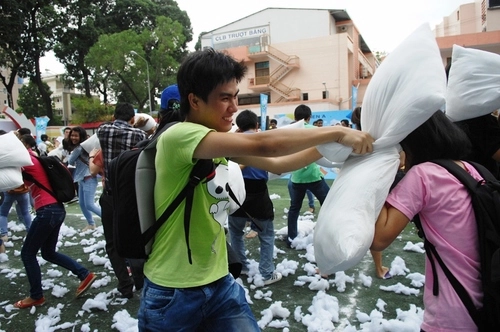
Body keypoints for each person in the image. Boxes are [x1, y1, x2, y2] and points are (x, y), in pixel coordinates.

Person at [138, 48, 373, 331]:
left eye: (235, 96)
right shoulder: (180, 135)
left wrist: (331, 148)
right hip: (173, 292)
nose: (234, 107)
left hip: (219, 283)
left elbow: (278, 163)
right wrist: (336, 132)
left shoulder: (217, 143)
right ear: (194, 100)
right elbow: (263, 144)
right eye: (225, 98)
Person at [371, 110, 481, 331]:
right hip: (484, 297)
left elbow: (379, 238)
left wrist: (375, 172)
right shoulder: (471, 169)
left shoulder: (423, 174)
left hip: (453, 312)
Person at [13, 133, 96, 309]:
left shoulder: (24, 160)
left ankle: (36, 296)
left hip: (47, 211)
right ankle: (84, 273)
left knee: (27, 254)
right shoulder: (31, 158)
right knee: (48, 253)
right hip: (55, 210)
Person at [97, 103, 146, 299]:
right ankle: (140, 282)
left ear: (114, 115)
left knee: (112, 243)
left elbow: (110, 127)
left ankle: (124, 286)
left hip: (109, 195)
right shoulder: (139, 136)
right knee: (134, 239)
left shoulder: (103, 130)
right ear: (132, 119)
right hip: (131, 196)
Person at [228, 110, 282, 285]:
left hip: (237, 195)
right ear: (257, 125)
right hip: (259, 195)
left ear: (239, 126)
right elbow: (278, 167)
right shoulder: (263, 141)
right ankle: (266, 274)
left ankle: (241, 265)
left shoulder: (231, 142)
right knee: (266, 235)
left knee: (235, 233)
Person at [350, 106, 393, 279]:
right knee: (374, 231)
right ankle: (379, 268)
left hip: (353, 189)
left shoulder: (351, 141)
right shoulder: (384, 140)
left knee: (348, 227)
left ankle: (326, 269)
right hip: (376, 190)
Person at [286, 104, 331, 247]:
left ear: (295, 117)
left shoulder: (288, 132)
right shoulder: (315, 131)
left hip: (297, 177)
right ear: (309, 118)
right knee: (329, 204)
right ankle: (328, 236)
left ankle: (291, 237)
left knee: (294, 208)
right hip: (313, 176)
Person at [67, 126, 101, 232]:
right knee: (82, 203)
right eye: (72, 135)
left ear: (81, 136)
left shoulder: (79, 148)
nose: (73, 137)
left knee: (89, 204)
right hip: (82, 178)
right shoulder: (86, 147)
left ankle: (110, 219)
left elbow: (71, 161)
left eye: (76, 135)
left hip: (88, 178)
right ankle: (91, 224)